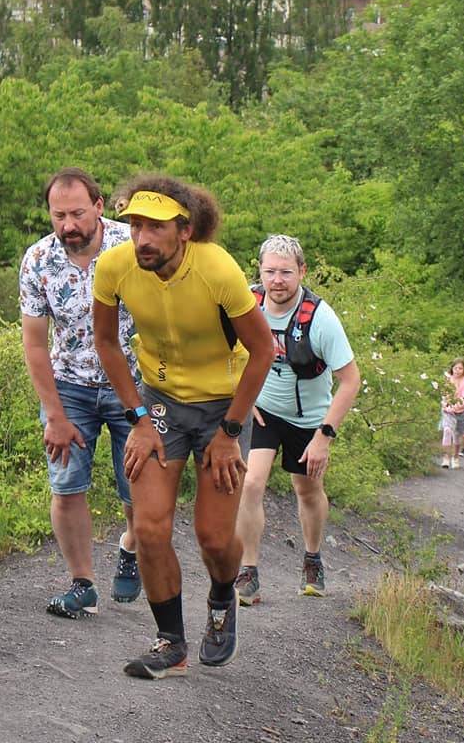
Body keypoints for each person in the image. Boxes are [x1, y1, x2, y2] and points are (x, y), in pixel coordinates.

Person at [93, 175, 273, 679]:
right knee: (149, 528)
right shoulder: (115, 267)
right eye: (134, 226)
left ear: (184, 231)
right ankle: (171, 644)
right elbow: (106, 343)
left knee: (214, 538)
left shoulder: (218, 270)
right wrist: (138, 419)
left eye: (155, 227)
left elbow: (263, 350)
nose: (142, 238)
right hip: (161, 405)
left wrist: (231, 432)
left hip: (224, 407)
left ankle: (221, 597)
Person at [20, 167, 141, 619]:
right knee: (66, 484)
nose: (68, 225)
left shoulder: (132, 245)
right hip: (69, 383)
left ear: (98, 206)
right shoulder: (38, 261)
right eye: (58, 216)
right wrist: (53, 413)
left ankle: (131, 544)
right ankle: (82, 583)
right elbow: (34, 342)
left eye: (76, 214)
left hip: (132, 382)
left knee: (139, 489)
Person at [234, 235, 359, 605]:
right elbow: (222, 350)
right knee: (251, 483)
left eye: (286, 272)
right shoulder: (246, 303)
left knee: (306, 491)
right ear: (260, 271)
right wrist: (240, 397)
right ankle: (249, 571)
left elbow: (351, 380)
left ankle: (312, 557)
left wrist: (324, 437)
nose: (277, 280)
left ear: (302, 272)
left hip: (309, 421)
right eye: (270, 271)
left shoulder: (321, 318)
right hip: (264, 411)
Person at [440, 358, 464, 470]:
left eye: (460, 368)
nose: (457, 370)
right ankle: (445, 458)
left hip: (461, 411)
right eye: (455, 368)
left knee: (457, 435)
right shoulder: (447, 379)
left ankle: (455, 458)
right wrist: (446, 405)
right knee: (447, 431)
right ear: (452, 368)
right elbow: (444, 394)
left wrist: (455, 406)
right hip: (448, 410)